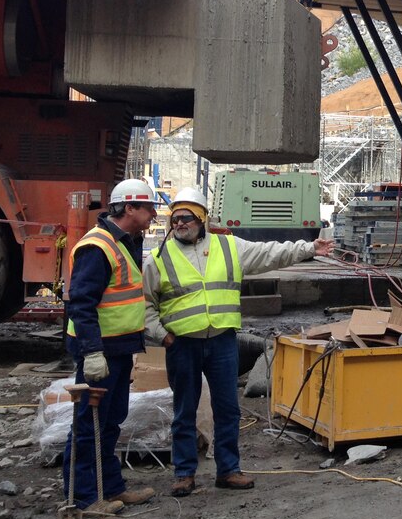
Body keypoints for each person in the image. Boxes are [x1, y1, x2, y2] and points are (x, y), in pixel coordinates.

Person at [143, 187, 334, 497]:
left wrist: (308, 248)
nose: (179, 223)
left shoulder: (228, 247)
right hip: (182, 345)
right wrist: (161, 334)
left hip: (221, 341)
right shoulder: (158, 258)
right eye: (175, 218)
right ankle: (184, 473)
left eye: (187, 217)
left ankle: (228, 470)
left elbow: (270, 252)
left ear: (202, 218)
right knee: (184, 410)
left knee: (228, 409)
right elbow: (145, 305)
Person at [63, 179, 160, 516]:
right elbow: (81, 303)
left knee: (111, 421)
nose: (153, 213)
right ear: (129, 207)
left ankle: (111, 488)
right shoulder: (97, 247)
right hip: (99, 352)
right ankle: (84, 498)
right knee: (89, 424)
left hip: (117, 350)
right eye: (148, 207)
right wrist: (91, 352)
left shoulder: (127, 241)